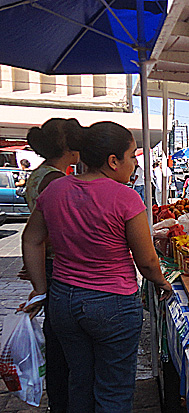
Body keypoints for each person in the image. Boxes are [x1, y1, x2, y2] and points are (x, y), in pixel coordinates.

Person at [21, 121, 173, 413]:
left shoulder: (55, 190)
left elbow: (32, 239)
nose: (135, 164)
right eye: (132, 156)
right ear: (113, 161)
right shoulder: (126, 197)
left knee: (79, 380)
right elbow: (147, 260)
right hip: (112, 305)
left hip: (64, 301)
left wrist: (40, 289)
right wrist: (161, 282)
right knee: (113, 389)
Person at [21, 118, 83, 413]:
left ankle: (60, 400)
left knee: (57, 335)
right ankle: (63, 402)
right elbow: (57, 230)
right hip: (58, 267)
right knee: (62, 343)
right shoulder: (57, 181)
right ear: (70, 148)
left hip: (47, 262)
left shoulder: (38, 175)